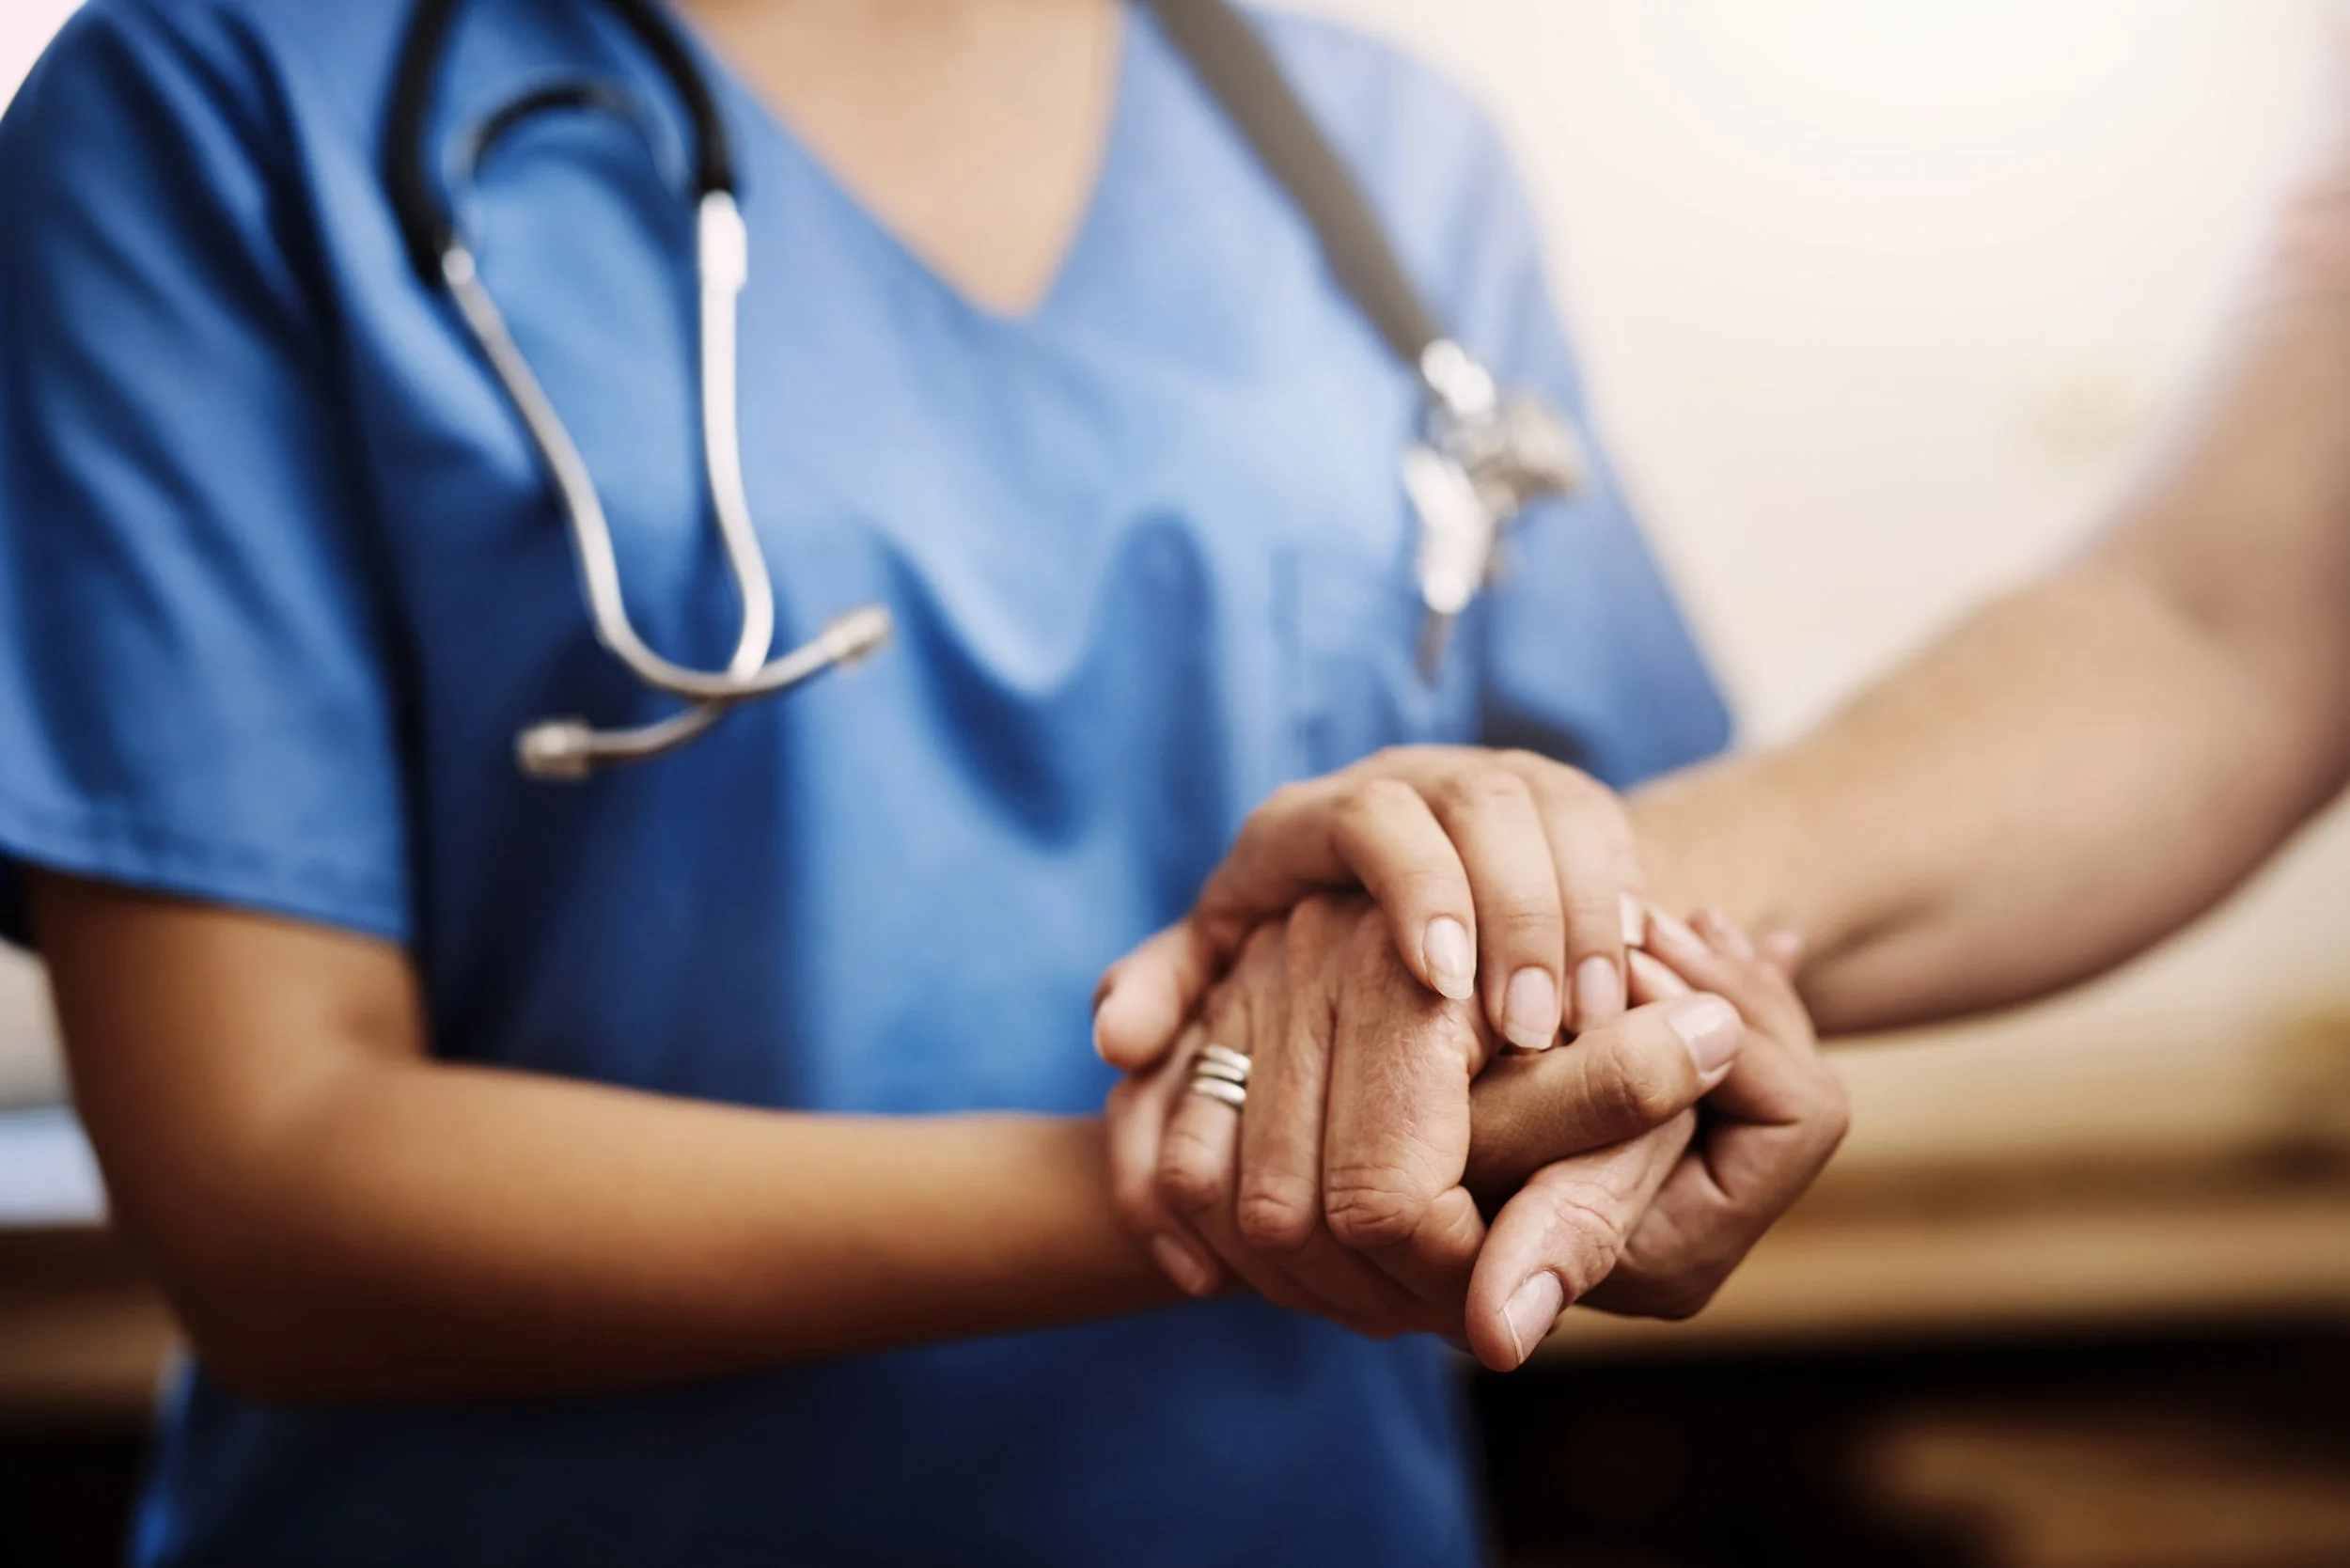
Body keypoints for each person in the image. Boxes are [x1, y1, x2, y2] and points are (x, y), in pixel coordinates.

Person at [0, 1, 1757, 1562]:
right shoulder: (216, 91)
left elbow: (1642, 885)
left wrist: (1605, 1048)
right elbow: (270, 1192)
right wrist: (1207, 1170)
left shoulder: (1383, 152)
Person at [1095, 23, 2350, 1366]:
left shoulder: (1395, 147)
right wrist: (1524, 944)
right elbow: (2208, 625)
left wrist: (1505, 964)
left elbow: (2216, 637)